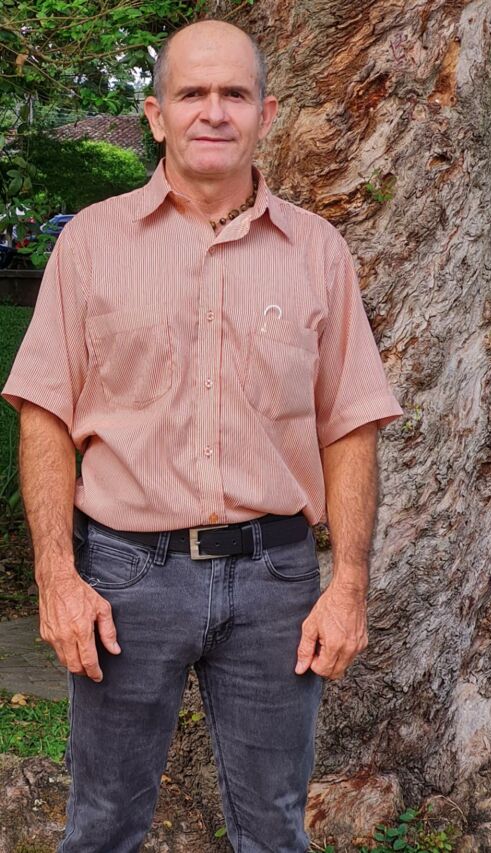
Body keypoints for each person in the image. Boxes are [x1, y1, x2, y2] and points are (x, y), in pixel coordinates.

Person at [1, 18, 403, 853]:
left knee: (275, 831)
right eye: (191, 93)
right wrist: (56, 576)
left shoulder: (318, 253)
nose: (213, 111)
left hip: (276, 581)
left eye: (234, 94)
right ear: (156, 115)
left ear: (266, 114)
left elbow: (350, 424)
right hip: (124, 580)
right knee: (102, 825)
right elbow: (44, 412)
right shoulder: (90, 244)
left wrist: (349, 583)